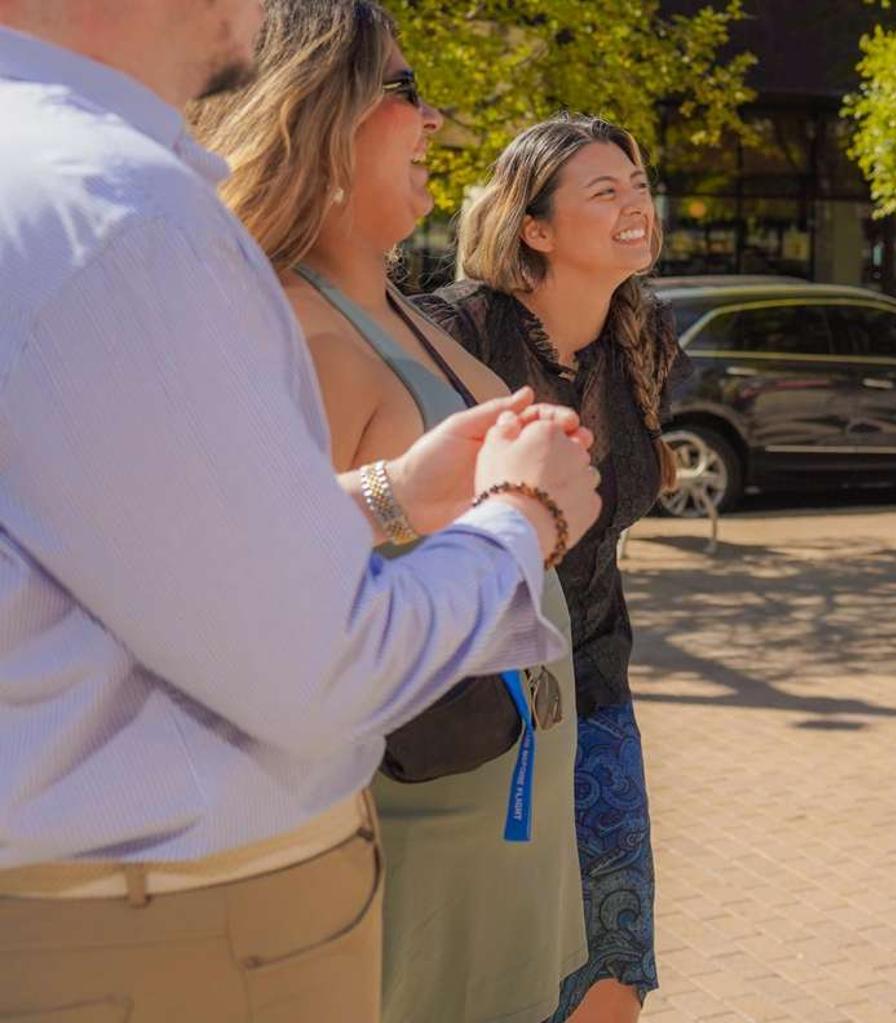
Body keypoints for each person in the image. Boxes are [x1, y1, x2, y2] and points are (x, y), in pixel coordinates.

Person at [0, 1, 601, 1020]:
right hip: (185, 930)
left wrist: (390, 494)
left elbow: (168, 546)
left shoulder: (73, 188)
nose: (437, 122)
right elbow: (319, 663)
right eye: (406, 90)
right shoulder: (115, 211)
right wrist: (523, 514)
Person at [188, 3, 590, 1020]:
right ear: (321, 107)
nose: (437, 118)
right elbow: (277, 613)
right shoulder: (296, 331)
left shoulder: (396, 303)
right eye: (408, 89)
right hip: (423, 818)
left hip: (506, 802)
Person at [414, 113, 680, 1023]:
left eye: (638, 186)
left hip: (597, 689)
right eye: (604, 192)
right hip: (478, 713)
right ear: (534, 227)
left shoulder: (643, 334)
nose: (634, 205)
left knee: (613, 964)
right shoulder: (452, 331)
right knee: (488, 980)